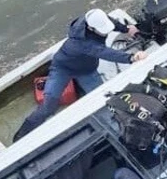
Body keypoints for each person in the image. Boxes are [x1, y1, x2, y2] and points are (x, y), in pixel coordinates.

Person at [15, 8, 148, 141]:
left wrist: (125, 29)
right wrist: (131, 58)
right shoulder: (81, 43)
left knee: (102, 101)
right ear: (91, 28)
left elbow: (110, 20)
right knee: (48, 105)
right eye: (102, 29)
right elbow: (104, 52)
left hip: (87, 70)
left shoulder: (92, 18)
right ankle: (22, 134)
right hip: (63, 68)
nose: (105, 31)